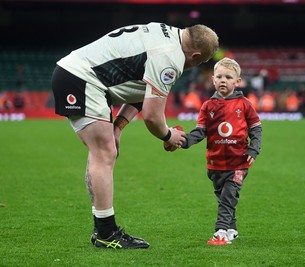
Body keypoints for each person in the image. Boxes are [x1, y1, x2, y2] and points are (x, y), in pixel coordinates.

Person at [51, 22, 219, 249]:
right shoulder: (171, 58)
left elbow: (139, 88)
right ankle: (106, 233)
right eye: (197, 63)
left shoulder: (165, 33)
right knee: (104, 153)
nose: (193, 66)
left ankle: (102, 228)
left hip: (76, 74)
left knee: (104, 152)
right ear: (196, 55)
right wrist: (168, 135)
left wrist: (118, 126)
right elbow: (152, 116)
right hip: (82, 79)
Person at [179, 58, 262, 245]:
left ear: (237, 82)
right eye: (219, 76)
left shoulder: (245, 104)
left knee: (227, 197)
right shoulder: (207, 106)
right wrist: (183, 141)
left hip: (239, 162)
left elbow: (256, 128)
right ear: (213, 80)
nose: (223, 80)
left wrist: (254, 149)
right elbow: (200, 131)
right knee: (223, 197)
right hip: (215, 163)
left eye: (228, 77)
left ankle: (221, 232)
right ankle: (232, 229)